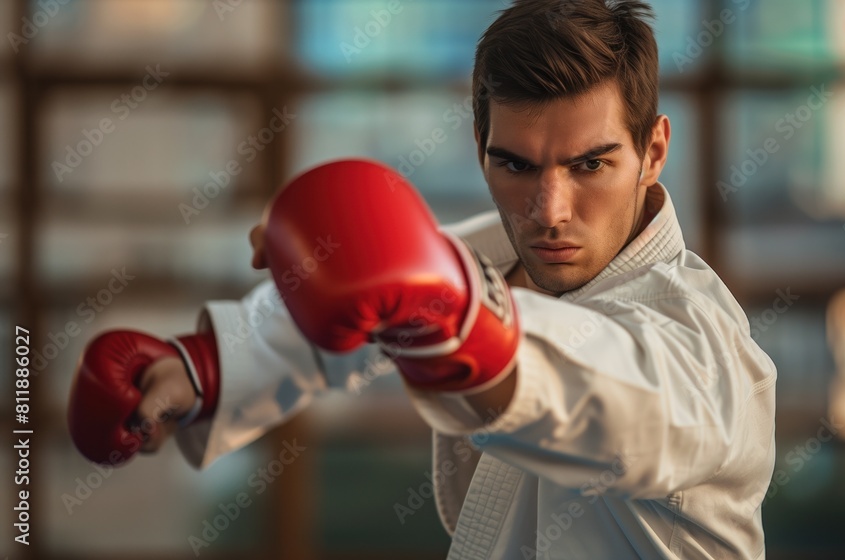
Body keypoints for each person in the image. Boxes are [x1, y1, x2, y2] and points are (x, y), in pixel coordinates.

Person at [68, 1, 777, 558]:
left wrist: (459, 322)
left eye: (591, 164)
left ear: (653, 151)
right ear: (481, 148)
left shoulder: (704, 348)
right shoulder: (490, 258)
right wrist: (207, 368)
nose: (550, 211)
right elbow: (369, 305)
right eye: (516, 165)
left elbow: (621, 402)